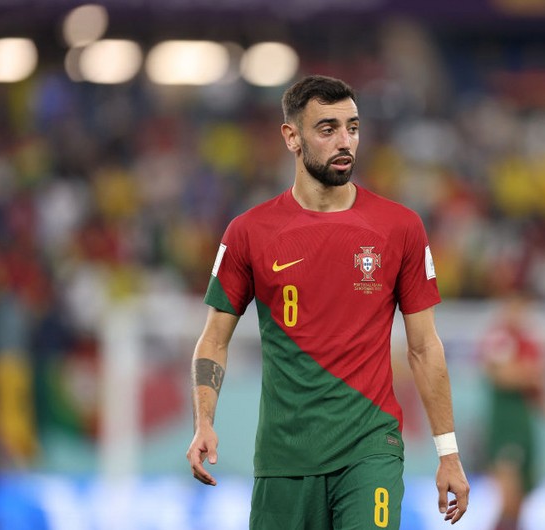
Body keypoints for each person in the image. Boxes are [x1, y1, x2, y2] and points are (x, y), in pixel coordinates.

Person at [186, 74, 469, 529]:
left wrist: (448, 453)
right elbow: (214, 340)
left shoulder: (400, 228)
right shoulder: (248, 232)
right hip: (283, 458)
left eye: (353, 128)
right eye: (328, 128)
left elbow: (423, 347)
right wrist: (204, 421)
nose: (345, 141)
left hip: (369, 450)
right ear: (291, 137)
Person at [479, 294, 545, 530]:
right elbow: (501, 376)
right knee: (508, 497)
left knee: (519, 503)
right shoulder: (499, 338)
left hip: (525, 428)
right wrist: (528, 373)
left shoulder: (529, 344)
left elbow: (541, 387)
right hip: (504, 427)